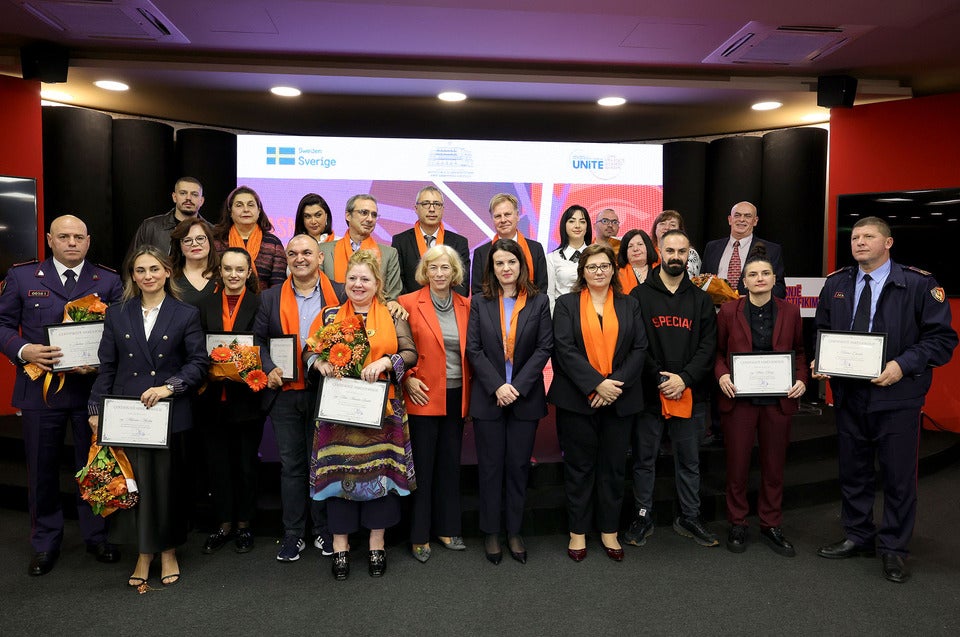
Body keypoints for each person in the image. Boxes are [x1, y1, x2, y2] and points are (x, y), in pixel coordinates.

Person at [812, 216, 957, 584]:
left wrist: (902, 365)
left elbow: (942, 341)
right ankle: (858, 535)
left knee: (898, 477)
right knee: (854, 471)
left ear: (888, 243)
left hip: (898, 397)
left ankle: (893, 547)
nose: (859, 242)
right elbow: (824, 331)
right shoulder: (836, 284)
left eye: (869, 236)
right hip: (849, 396)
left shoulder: (919, 285)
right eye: (856, 237)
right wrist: (820, 358)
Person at [0, 214, 123, 576]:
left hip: (91, 391)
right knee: (41, 470)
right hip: (41, 392)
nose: (72, 242)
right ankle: (45, 543)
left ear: (88, 241)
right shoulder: (23, 277)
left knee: (96, 467)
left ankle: (97, 536)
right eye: (64, 236)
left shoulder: (109, 280)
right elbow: (3, 324)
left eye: (79, 237)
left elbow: (118, 332)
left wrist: (100, 363)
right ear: (50, 240)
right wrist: (25, 351)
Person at [87, 246, 208, 587]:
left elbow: (198, 363)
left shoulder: (186, 313)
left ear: (168, 271)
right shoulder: (116, 313)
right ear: (133, 276)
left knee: (167, 488)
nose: (148, 276)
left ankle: (168, 551)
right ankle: (143, 554)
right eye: (140, 270)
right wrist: (95, 411)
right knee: (136, 486)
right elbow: (107, 367)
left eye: (154, 269)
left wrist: (170, 387)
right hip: (128, 415)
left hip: (169, 415)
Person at [309, 251, 418, 580]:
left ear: (377, 284)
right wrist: (319, 362)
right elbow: (309, 348)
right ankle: (340, 549)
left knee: (379, 481)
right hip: (338, 418)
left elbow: (409, 353)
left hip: (381, 416)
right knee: (338, 480)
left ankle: (376, 545)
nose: (358, 284)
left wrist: (386, 362)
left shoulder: (393, 314)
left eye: (365, 279)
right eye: (353, 279)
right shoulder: (329, 316)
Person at [548, 244, 646, 562]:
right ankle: (578, 533)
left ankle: (609, 531)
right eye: (592, 267)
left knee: (614, 469)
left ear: (613, 270)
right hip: (578, 400)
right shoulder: (565, 304)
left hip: (620, 398)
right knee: (579, 468)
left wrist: (612, 386)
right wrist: (595, 384)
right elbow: (563, 348)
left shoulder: (630, 305)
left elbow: (639, 349)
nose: (599, 272)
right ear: (583, 273)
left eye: (604, 266)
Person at [625, 229, 719, 548]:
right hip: (650, 393)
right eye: (670, 250)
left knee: (689, 459)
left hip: (689, 393)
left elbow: (708, 347)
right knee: (644, 459)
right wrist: (662, 379)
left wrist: (685, 379)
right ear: (659, 252)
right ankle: (642, 516)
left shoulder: (701, 299)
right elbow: (637, 345)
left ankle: (690, 516)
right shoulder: (638, 296)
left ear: (687, 254)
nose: (675, 256)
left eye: (682, 251)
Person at [254, 235, 344, 561]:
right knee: (292, 466)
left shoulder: (341, 293)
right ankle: (293, 534)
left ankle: (322, 532)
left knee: (322, 465)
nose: (299, 258)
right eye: (293, 253)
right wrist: (269, 367)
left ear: (320, 257)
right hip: (285, 394)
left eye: (306, 252)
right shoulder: (269, 298)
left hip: (328, 393)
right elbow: (258, 340)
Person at [715, 247, 808, 556]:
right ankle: (738, 522)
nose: (759, 278)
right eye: (752, 274)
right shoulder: (729, 312)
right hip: (739, 399)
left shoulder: (791, 311)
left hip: (778, 400)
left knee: (773, 466)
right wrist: (722, 376)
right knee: (737, 466)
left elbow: (800, 351)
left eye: (765, 273)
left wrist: (801, 380)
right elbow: (716, 354)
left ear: (774, 278)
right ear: (743, 281)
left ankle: (770, 524)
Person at [466, 239, 552, 565]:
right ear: (492, 269)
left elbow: (545, 348)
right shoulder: (480, 303)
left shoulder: (539, 302)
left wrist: (515, 386)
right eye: (499, 263)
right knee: (490, 468)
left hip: (524, 398)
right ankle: (490, 531)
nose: (506, 268)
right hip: (489, 398)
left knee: (517, 467)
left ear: (521, 266)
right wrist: (497, 386)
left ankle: (514, 530)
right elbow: (473, 349)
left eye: (511, 263)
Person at [398, 245, 471, 562]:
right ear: (424, 272)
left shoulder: (467, 305)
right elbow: (397, 347)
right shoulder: (406, 303)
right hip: (423, 394)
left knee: (449, 466)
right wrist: (407, 378)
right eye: (433, 268)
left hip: (456, 396)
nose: (439, 273)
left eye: (445, 267)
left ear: (454, 272)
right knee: (423, 469)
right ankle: (419, 535)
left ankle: (447, 527)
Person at [196, 248, 265, 555]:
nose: (234, 275)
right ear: (219, 271)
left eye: (240, 269)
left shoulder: (261, 304)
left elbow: (265, 344)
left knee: (246, 465)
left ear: (249, 272)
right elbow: (195, 345)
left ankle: (244, 525)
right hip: (211, 398)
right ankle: (222, 523)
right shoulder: (203, 304)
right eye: (228, 269)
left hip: (247, 399)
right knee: (216, 465)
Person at [318, 194, 405, 318]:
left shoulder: (389, 253)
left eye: (374, 215)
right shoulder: (324, 250)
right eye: (364, 213)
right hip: (332, 320)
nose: (370, 219)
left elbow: (392, 296)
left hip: (375, 322)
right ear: (348, 215)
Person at [392, 186, 471, 297]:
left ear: (443, 209)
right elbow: (398, 282)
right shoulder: (400, 241)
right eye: (426, 204)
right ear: (416, 208)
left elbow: (462, 283)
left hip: (448, 309)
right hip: (411, 309)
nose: (432, 209)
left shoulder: (459, 243)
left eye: (437, 204)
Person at [702, 201, 785, 298]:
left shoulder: (771, 250)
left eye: (747, 216)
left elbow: (779, 290)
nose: (742, 219)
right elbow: (702, 282)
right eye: (737, 215)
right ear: (730, 219)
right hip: (715, 311)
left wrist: (751, 298)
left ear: (755, 221)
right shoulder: (712, 248)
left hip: (751, 311)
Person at [471, 193, 548, 296]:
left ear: (517, 215)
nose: (503, 220)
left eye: (507, 214)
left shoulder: (535, 249)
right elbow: (478, 293)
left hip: (531, 309)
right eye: (498, 216)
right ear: (492, 219)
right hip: (493, 310)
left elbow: (542, 289)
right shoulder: (481, 253)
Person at [213, 186, 286, 291]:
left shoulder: (273, 243)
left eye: (251, 205)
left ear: (259, 210)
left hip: (263, 304)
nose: (246, 210)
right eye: (239, 205)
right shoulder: (217, 241)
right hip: (223, 303)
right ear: (230, 211)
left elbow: (278, 285)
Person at [128, 176, 206, 257]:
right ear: (174, 197)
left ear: (201, 201)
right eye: (183, 193)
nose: (188, 198)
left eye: (194, 194)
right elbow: (131, 263)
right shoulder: (150, 227)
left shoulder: (211, 232)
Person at [545, 205, 592, 313]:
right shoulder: (552, 258)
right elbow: (550, 294)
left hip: (592, 313)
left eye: (582, 221)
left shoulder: (597, 254)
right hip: (564, 314)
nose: (577, 226)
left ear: (587, 226)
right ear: (564, 225)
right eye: (572, 221)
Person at [169, 218, 218, 306]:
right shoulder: (170, 277)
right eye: (187, 240)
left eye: (200, 238)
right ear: (179, 246)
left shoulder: (223, 273)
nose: (194, 244)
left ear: (210, 241)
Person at [650, 209, 701, 276]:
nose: (667, 228)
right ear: (655, 229)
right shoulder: (647, 251)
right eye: (662, 224)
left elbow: (693, 279)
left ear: (680, 230)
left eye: (672, 225)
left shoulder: (690, 253)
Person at [617, 228, 656, 294]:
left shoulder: (660, 270)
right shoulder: (616, 274)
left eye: (640, 244)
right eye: (630, 246)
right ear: (625, 252)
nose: (635, 249)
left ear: (648, 247)